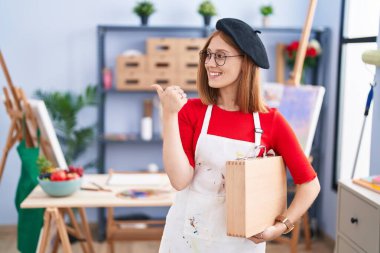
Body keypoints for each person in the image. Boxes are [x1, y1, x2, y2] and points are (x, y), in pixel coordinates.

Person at [153, 18, 320, 253]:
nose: (211, 63)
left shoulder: (270, 122)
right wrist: (169, 116)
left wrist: (281, 226)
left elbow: (310, 184)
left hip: (240, 245)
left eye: (220, 55)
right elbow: (179, 180)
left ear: (246, 62)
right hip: (186, 238)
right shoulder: (192, 111)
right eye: (208, 55)